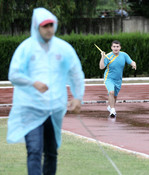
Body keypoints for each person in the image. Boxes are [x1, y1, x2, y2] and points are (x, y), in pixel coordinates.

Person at [6, 7, 85, 175]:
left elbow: (76, 73)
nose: (49, 29)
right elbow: (13, 74)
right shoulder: (26, 48)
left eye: (51, 25)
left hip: (53, 109)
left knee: (51, 152)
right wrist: (33, 82)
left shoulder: (63, 49)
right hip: (30, 108)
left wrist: (78, 97)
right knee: (34, 150)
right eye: (45, 26)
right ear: (37, 27)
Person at [99, 40, 136, 118]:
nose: (116, 48)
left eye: (117, 46)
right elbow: (101, 67)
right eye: (114, 46)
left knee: (115, 96)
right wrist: (102, 57)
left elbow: (131, 61)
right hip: (109, 78)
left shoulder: (124, 55)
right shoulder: (108, 56)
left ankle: (110, 107)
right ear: (111, 47)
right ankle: (112, 110)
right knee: (111, 92)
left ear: (120, 47)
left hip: (118, 80)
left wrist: (133, 65)